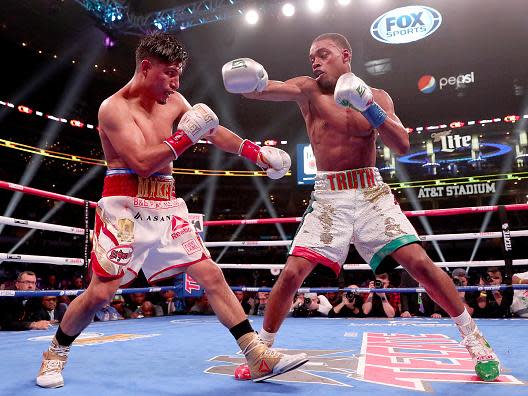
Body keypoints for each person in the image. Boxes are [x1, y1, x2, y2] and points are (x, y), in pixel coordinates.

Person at [222, 32, 500, 381]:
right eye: (312, 57)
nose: (315, 61)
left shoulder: (379, 96)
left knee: (420, 265)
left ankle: (476, 341)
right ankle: (261, 352)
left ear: (345, 54)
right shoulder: (309, 90)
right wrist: (251, 81)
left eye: (322, 54)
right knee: (291, 273)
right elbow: (263, 89)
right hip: (329, 197)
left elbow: (401, 145)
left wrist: (369, 105)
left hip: (370, 194)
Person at [35, 32, 306, 389]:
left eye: (179, 74)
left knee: (211, 274)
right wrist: (183, 137)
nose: (176, 83)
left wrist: (256, 154)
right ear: (146, 67)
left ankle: (256, 356)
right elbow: (142, 163)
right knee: (101, 293)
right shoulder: (113, 108)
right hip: (125, 208)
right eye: (170, 73)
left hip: (167, 206)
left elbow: (210, 130)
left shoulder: (175, 99)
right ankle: (55, 353)